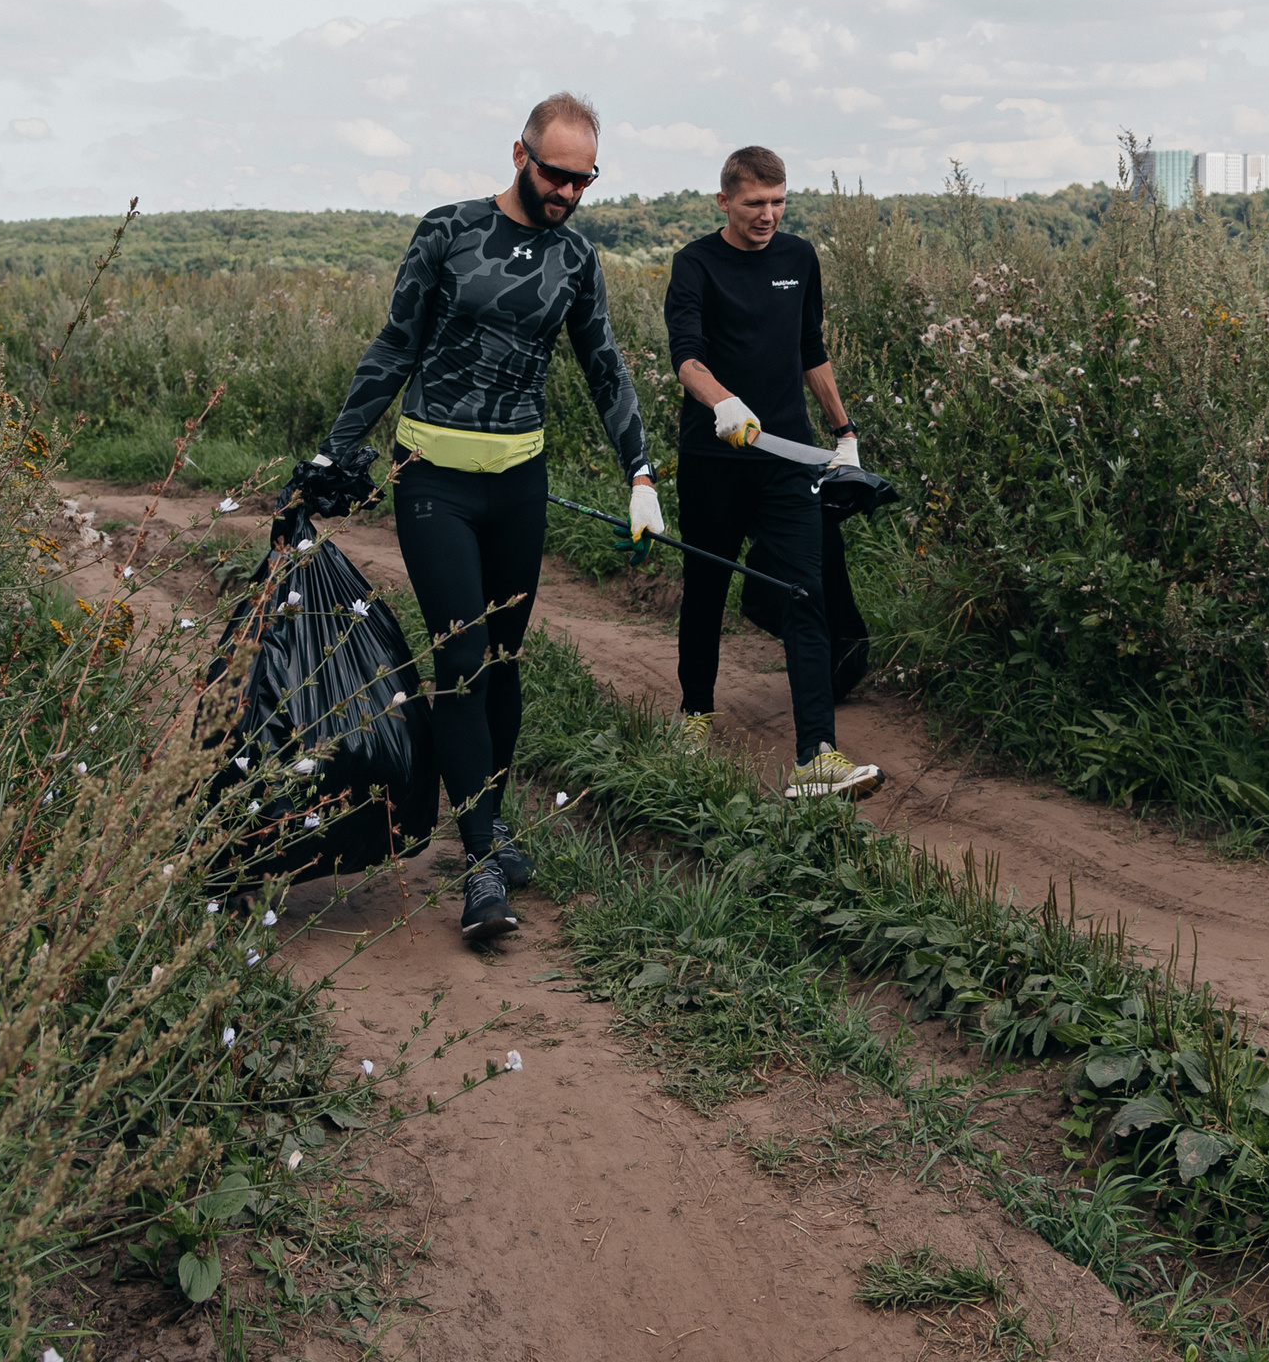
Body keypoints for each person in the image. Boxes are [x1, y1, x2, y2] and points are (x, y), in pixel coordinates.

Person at [302, 92, 664, 940]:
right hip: (434, 481)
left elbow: (603, 364)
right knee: (461, 661)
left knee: (502, 661)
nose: (568, 192)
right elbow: (396, 343)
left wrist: (641, 473)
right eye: (556, 174)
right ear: (519, 154)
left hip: (519, 484)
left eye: (585, 180)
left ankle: (488, 821)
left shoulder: (577, 258)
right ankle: (478, 866)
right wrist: (337, 448)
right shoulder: (448, 231)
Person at [664, 146, 883, 801]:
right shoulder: (695, 263)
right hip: (713, 461)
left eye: (779, 201)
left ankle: (816, 756)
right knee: (706, 589)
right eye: (755, 202)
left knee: (806, 594)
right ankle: (694, 713)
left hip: (788, 461)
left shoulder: (799, 257)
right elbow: (686, 357)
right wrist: (722, 403)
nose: (768, 215)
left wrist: (844, 434)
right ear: (724, 201)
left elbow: (810, 349)